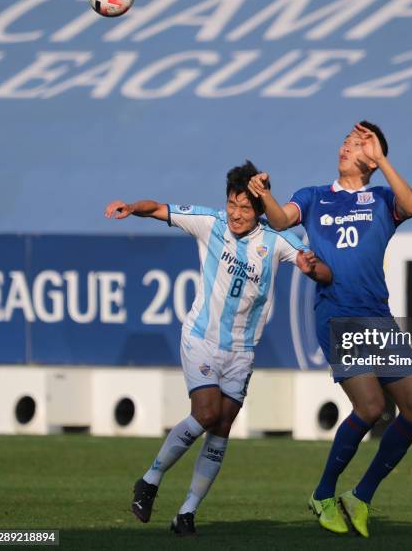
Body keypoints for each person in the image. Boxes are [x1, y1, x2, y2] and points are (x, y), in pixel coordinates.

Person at [104, 160, 331, 537]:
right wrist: (131, 207)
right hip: (201, 339)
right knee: (207, 413)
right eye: (232, 204)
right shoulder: (210, 223)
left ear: (258, 211)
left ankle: (187, 513)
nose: (236, 214)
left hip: (243, 350)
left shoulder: (276, 240)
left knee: (222, 427)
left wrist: (313, 267)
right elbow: (159, 208)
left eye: (245, 208)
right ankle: (150, 479)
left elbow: (319, 269)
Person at [247, 121, 412, 538]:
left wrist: (383, 160)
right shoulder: (314, 197)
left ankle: (361, 496)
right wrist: (264, 196)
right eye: (346, 142)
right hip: (337, 314)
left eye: (358, 144)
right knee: (369, 408)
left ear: (373, 156)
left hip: (377, 316)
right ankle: (323, 493)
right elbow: (279, 221)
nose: (347, 147)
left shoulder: (383, 197)